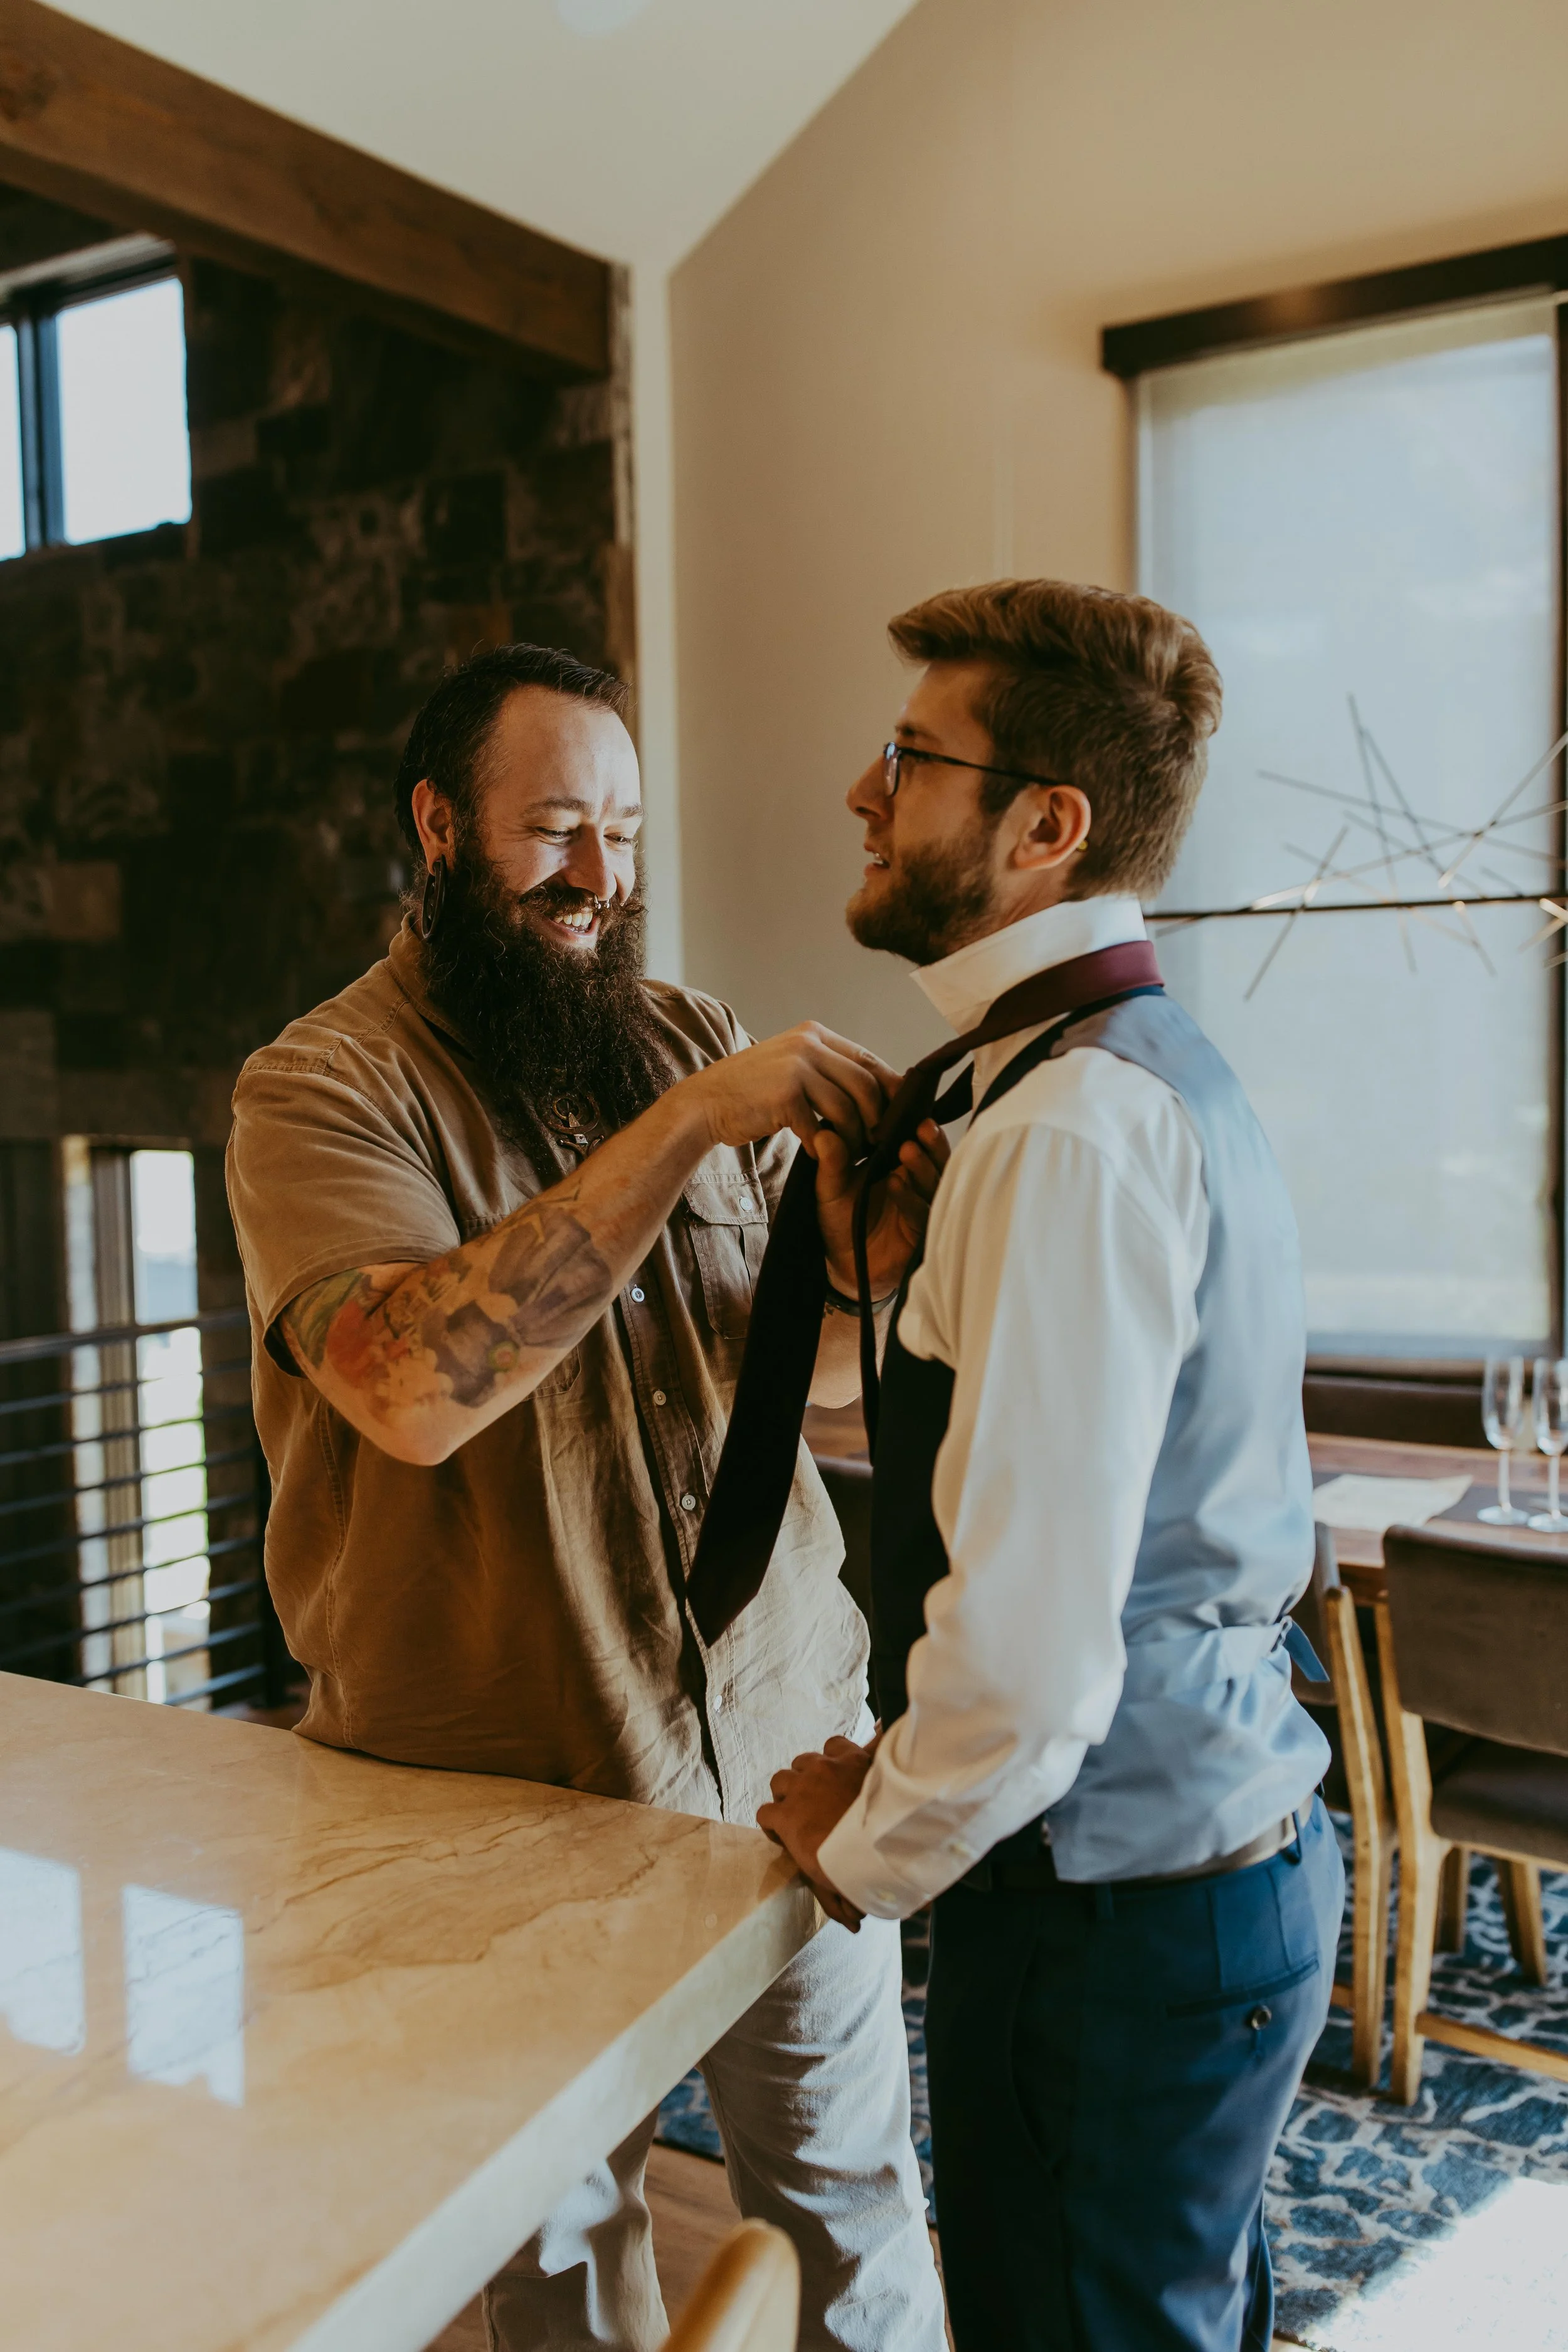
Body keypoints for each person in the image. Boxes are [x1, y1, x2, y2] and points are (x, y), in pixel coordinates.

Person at [225, 644, 946, 2352]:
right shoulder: (316, 1088)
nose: (602, 879)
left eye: (620, 829)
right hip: (489, 1804)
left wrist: (867, 1267)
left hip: (781, 1742)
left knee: (853, 2220)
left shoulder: (677, 1028)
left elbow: (815, 1380)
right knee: (562, 2272)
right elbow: (408, 1388)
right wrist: (694, 1123)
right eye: (554, 829)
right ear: (437, 828)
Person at [759, 580, 1344, 2352]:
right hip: (1202, 1869)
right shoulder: (1107, 1082)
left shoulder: (1067, 1127)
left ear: (1043, 825)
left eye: (905, 756)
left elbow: (1028, 1668)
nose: (862, 794)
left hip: (1113, 1926)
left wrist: (865, 1837)